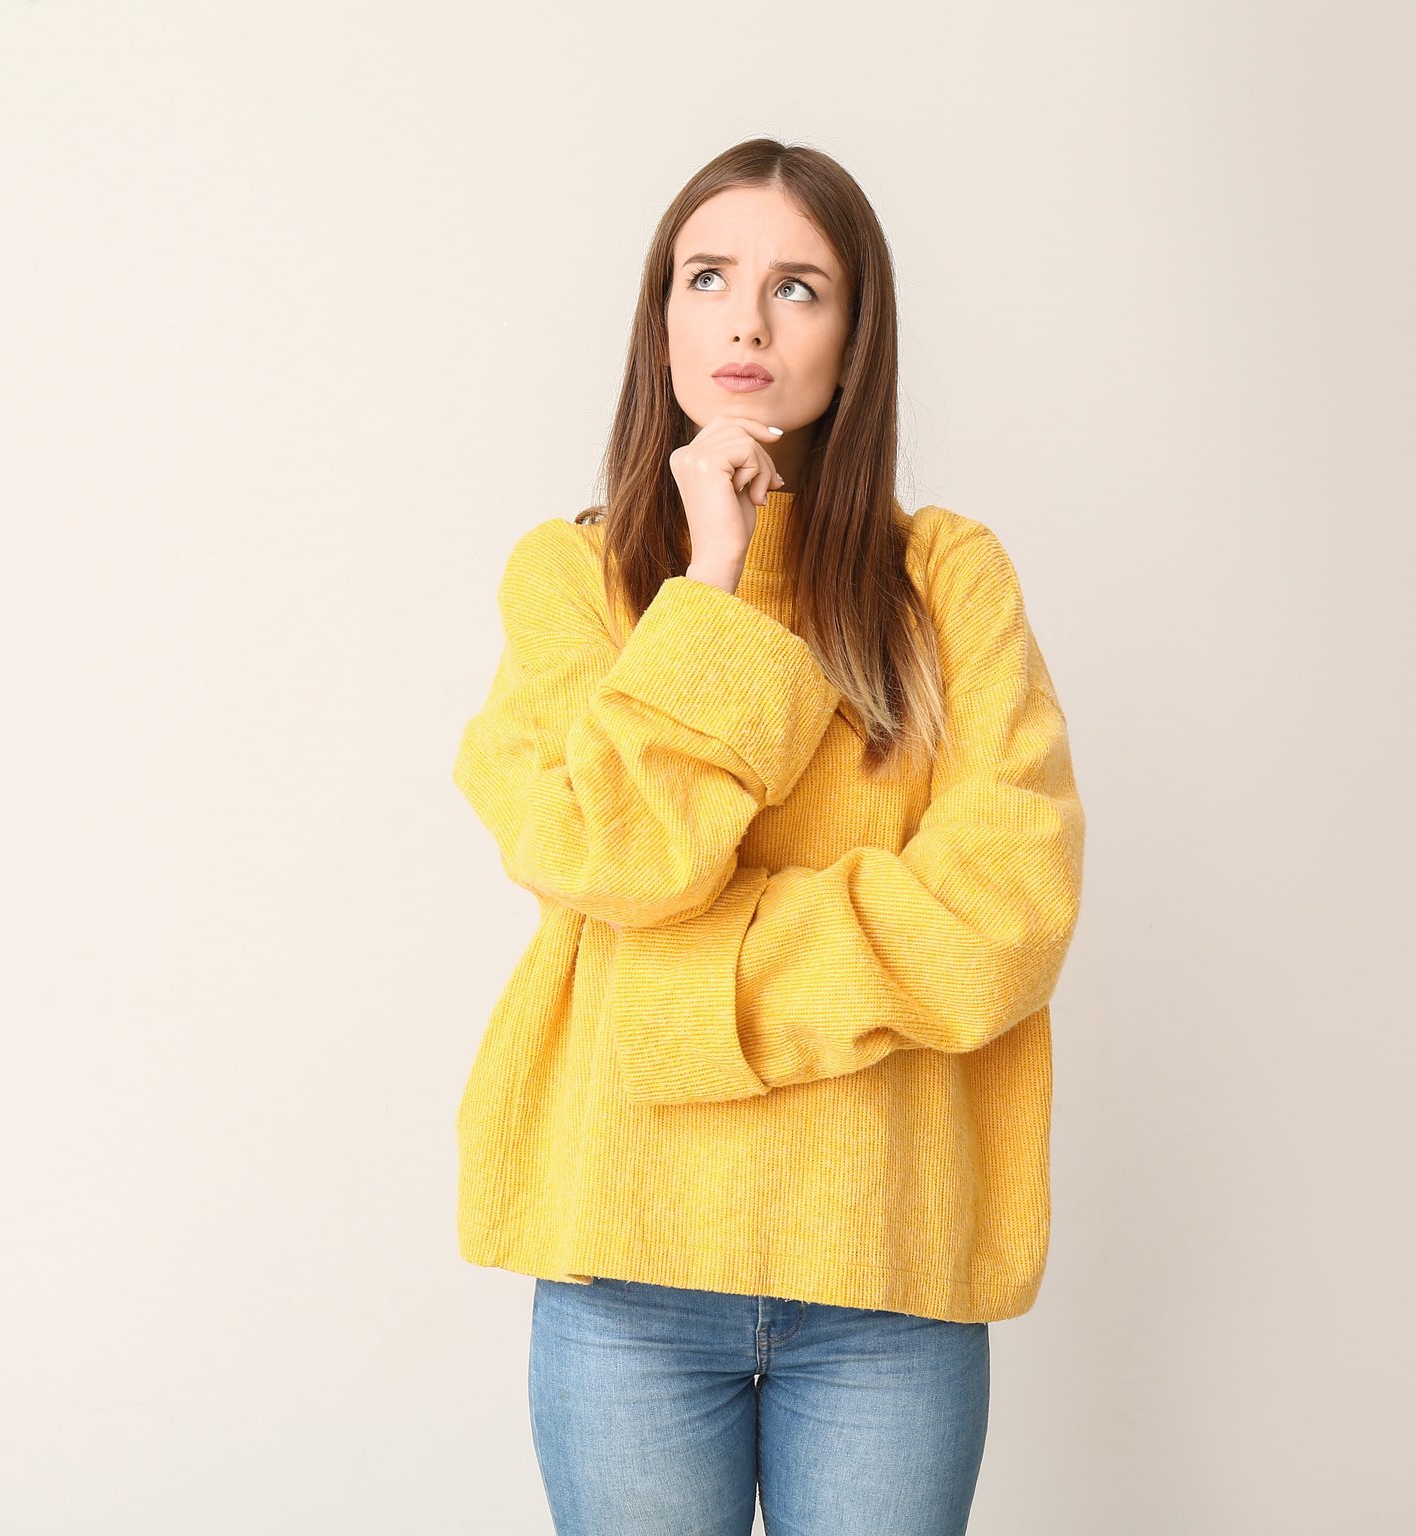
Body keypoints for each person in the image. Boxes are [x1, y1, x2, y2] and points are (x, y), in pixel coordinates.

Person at [450, 138, 1088, 1536]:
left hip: (885, 1282)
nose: (746, 319)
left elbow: (1003, 915)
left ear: (857, 340)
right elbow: (616, 858)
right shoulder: (570, 577)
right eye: (710, 277)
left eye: (800, 287)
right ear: (662, 320)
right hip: (624, 1274)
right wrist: (716, 578)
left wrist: (676, 989)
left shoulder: (947, 580)